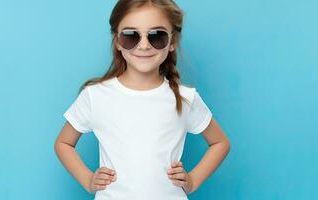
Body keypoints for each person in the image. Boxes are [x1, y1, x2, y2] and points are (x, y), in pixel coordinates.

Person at [54, 0, 231, 199]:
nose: (144, 45)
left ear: (172, 42)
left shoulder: (184, 98)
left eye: (157, 36)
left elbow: (220, 142)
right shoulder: (96, 96)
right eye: (131, 36)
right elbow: (63, 143)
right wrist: (88, 180)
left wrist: (192, 180)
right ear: (117, 41)